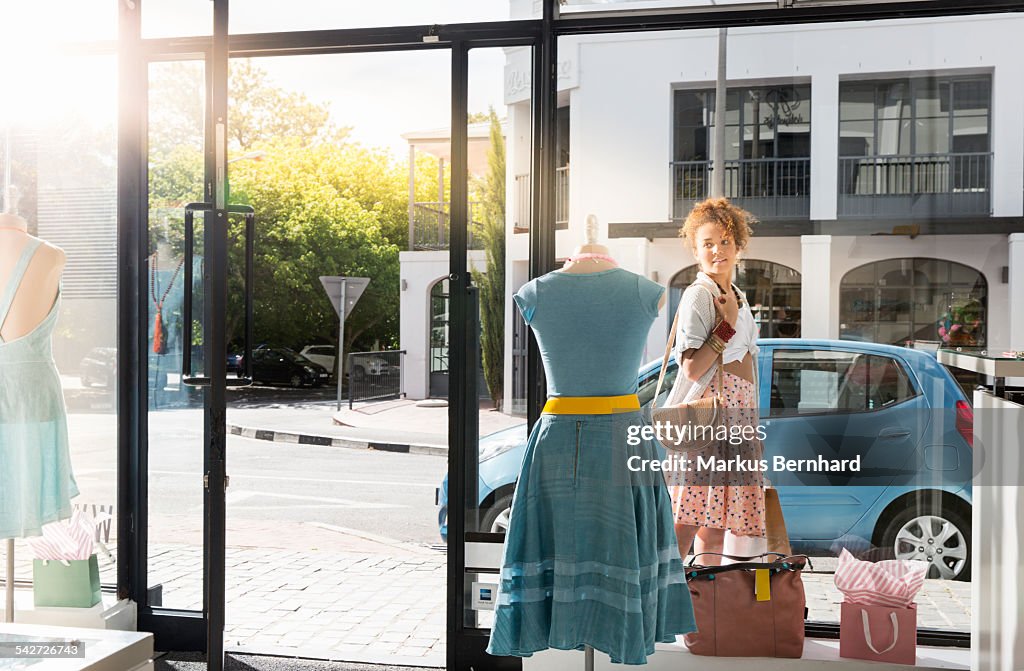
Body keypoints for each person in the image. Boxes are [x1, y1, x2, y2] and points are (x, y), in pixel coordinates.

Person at [664, 197, 765, 566]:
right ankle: (664, 602)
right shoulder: (699, 296)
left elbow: (748, 362)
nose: (717, 251)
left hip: (736, 416)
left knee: (716, 520)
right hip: (709, 412)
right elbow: (692, 369)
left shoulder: (737, 295)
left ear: (738, 245)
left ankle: (702, 612)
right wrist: (726, 325)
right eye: (707, 244)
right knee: (687, 517)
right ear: (695, 249)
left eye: (724, 242)